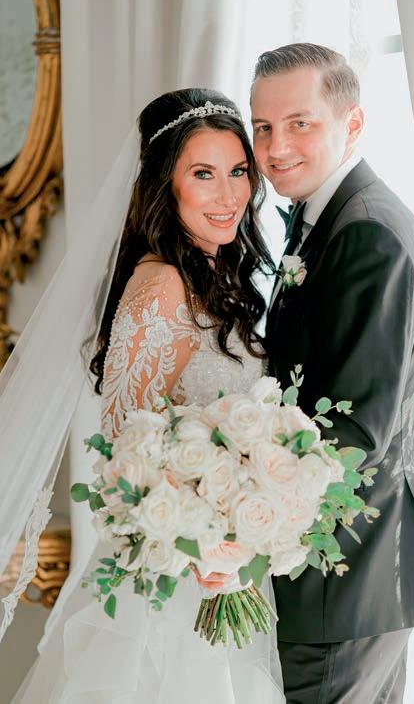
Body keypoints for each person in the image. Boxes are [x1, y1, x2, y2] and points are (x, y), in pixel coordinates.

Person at [10, 88, 284, 703]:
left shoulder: (216, 278)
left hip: (217, 567)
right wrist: (200, 543)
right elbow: (124, 454)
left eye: (238, 170)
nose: (228, 195)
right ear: (167, 185)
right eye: (203, 174)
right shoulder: (162, 284)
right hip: (169, 584)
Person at [250, 42, 414, 703]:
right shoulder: (327, 218)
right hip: (346, 579)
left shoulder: (367, 232)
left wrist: (238, 518)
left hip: (343, 577)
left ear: (353, 123)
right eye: (262, 126)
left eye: (299, 123)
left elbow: (353, 431)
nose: (276, 146)